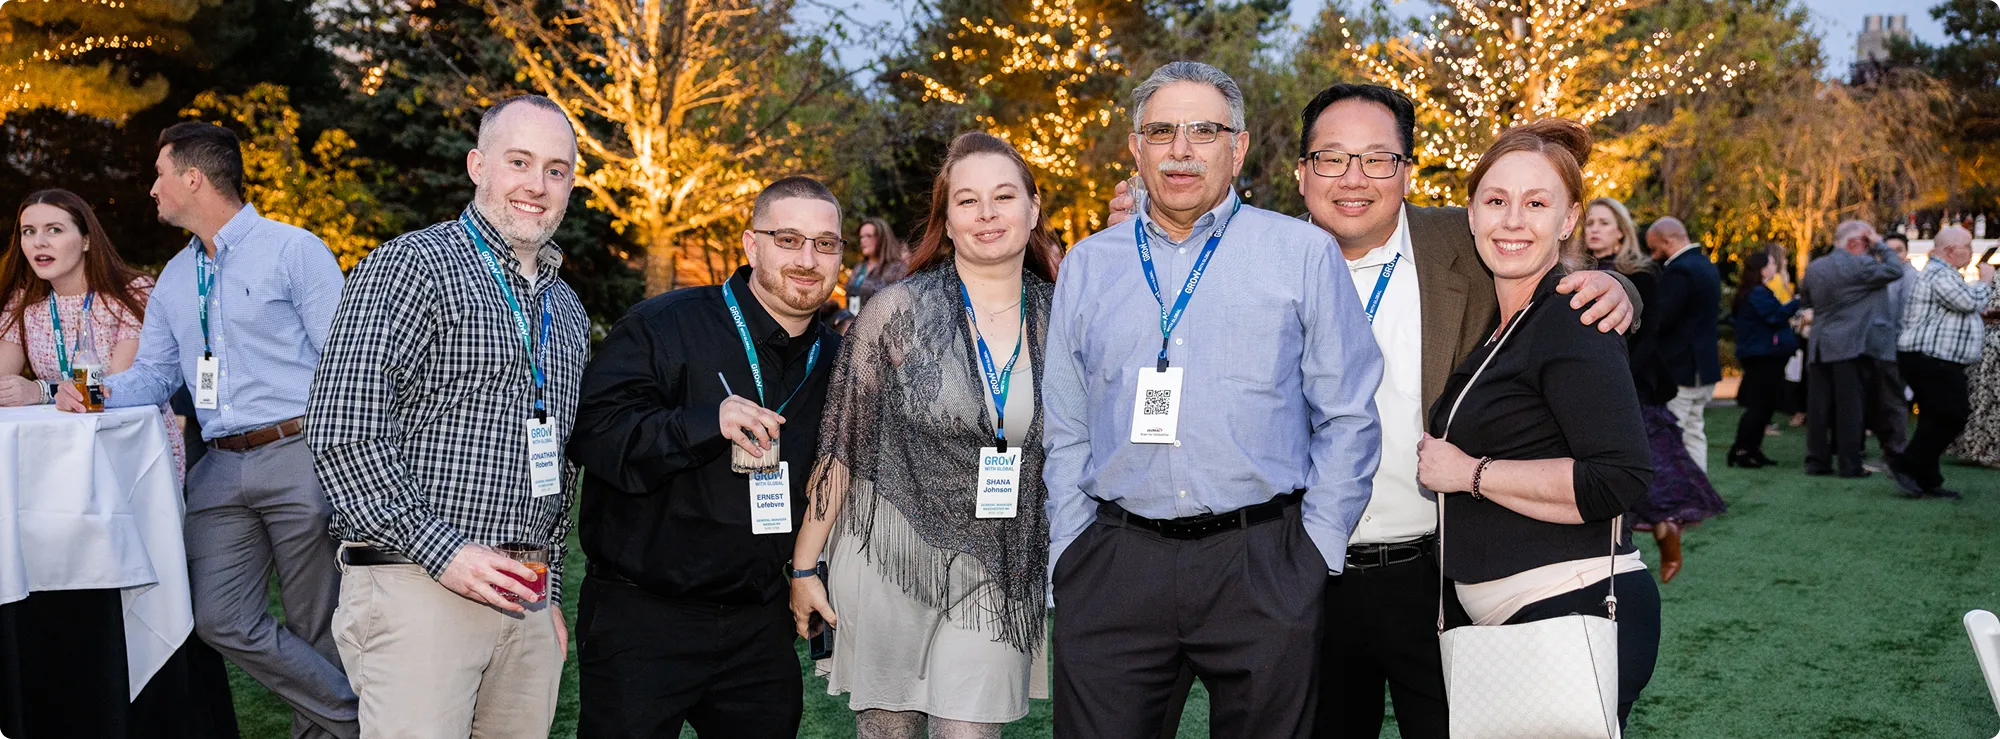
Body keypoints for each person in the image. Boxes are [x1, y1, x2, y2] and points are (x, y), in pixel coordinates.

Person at [1104, 82, 1638, 739]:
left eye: (1378, 159)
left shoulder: (1463, 240)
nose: (1353, 179)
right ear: (1301, 173)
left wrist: (1617, 288)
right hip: (1301, 579)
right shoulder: (1242, 261)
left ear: (1407, 172)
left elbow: (1548, 270)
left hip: (1442, 574)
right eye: (1331, 157)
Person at [1043, 61, 1383, 739]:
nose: (1181, 149)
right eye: (1161, 130)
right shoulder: (1089, 263)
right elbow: (1066, 424)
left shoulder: (1303, 254)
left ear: (1240, 147)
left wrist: (1312, 552)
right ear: (1136, 147)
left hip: (1262, 560)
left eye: (1204, 130)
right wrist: (1070, 554)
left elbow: (1347, 417)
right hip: (1115, 561)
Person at [56, 122, 356, 738]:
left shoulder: (294, 250)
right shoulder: (172, 278)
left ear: (193, 178)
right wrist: (95, 394)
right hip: (218, 468)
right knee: (217, 617)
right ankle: (363, 718)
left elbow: (346, 361)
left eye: (160, 173)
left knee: (315, 623)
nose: (152, 188)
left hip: (300, 452)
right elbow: (155, 377)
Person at [306, 95, 590, 737]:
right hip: (417, 586)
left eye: (556, 169)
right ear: (477, 165)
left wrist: (552, 596)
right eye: (520, 161)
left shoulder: (566, 308)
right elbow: (342, 432)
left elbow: (558, 469)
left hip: (526, 593)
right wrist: (448, 554)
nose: (537, 185)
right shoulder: (412, 266)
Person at [789, 132, 1062, 738]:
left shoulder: (1063, 314)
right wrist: (805, 567)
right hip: (889, 553)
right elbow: (842, 447)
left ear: (1033, 207)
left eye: (1003, 196)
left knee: (968, 730)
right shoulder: (895, 312)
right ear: (947, 218)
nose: (987, 215)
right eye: (967, 201)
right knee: (888, 732)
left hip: (1001, 563)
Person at [567, 175, 846, 737]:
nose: (808, 259)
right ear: (751, 245)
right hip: (642, 620)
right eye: (788, 239)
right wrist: (705, 422)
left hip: (760, 627)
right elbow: (597, 435)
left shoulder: (840, 357)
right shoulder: (664, 324)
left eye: (825, 244)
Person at [1414, 118, 1659, 729]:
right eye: (1496, 201)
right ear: (1471, 215)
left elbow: (1618, 478)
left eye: (1536, 202)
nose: (1513, 220)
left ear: (1569, 218)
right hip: (1515, 624)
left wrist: (1471, 473)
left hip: (1567, 612)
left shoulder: (1571, 316)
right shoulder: (1506, 322)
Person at [1584, 196, 1722, 584]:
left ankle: (1664, 528)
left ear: (1621, 231)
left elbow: (1649, 333)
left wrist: (1619, 376)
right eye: (1590, 222)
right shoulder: (1566, 269)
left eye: (1604, 223)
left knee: (1651, 459)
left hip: (1629, 381)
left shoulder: (1642, 272)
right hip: (1577, 382)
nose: (1594, 229)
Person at [0, 189, 186, 473]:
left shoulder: (132, 293)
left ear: (86, 240)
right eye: (28, 231)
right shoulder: (24, 303)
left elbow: (114, 388)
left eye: (54, 230)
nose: (39, 242)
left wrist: (39, 391)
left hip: (128, 448)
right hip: (57, 449)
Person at [1890, 225, 1992, 499]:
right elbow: (1968, 301)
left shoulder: (1943, 273)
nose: (1972, 253)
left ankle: (1928, 479)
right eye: (1968, 247)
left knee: (1935, 418)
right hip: (1931, 360)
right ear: (1950, 251)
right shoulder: (1938, 273)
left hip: (1933, 360)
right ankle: (1906, 464)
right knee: (1952, 415)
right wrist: (1985, 281)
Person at [1799, 220, 1908, 477]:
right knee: (1850, 407)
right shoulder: (1862, 265)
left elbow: (1806, 300)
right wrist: (1880, 244)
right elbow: (1895, 269)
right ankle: (1849, 464)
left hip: (1818, 344)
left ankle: (1817, 461)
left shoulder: (1815, 268)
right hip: (1849, 346)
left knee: (1817, 407)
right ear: (1854, 243)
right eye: (1867, 242)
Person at [1646, 217, 1722, 471]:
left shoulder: (1679, 270)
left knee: (1672, 435)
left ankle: (1680, 499)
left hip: (1681, 368)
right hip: (1705, 365)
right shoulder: (1707, 265)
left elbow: (1663, 318)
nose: (1652, 255)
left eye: (1653, 248)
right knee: (1694, 431)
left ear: (1667, 241)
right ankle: (1699, 496)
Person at [1730, 247, 1803, 469]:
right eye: (1771, 264)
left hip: (1763, 355)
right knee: (1760, 405)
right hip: (1763, 356)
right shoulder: (1758, 293)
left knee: (1765, 405)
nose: (1775, 267)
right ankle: (1743, 450)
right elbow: (1775, 316)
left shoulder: (1755, 292)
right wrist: (1797, 302)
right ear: (1761, 269)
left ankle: (1752, 449)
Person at [846, 216, 908, 315]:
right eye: (861, 237)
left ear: (882, 238)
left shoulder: (897, 269)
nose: (863, 240)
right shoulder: (859, 267)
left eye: (869, 236)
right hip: (852, 323)